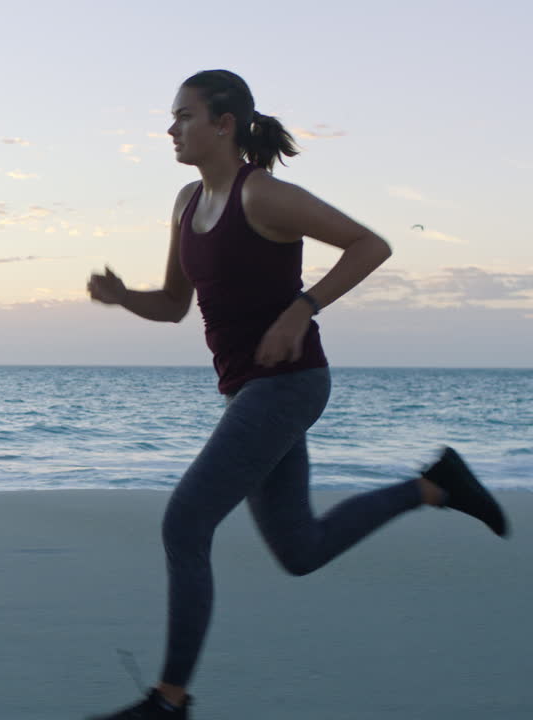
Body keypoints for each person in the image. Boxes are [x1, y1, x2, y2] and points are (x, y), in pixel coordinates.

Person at [84, 69, 509, 719]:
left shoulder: (265, 198)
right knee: (299, 551)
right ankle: (435, 486)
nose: (172, 129)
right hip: (249, 391)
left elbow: (372, 245)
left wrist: (301, 309)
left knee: (185, 522)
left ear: (223, 125)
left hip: (289, 386)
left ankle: (168, 700)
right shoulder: (185, 204)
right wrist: (122, 298)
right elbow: (174, 306)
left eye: (185, 116)